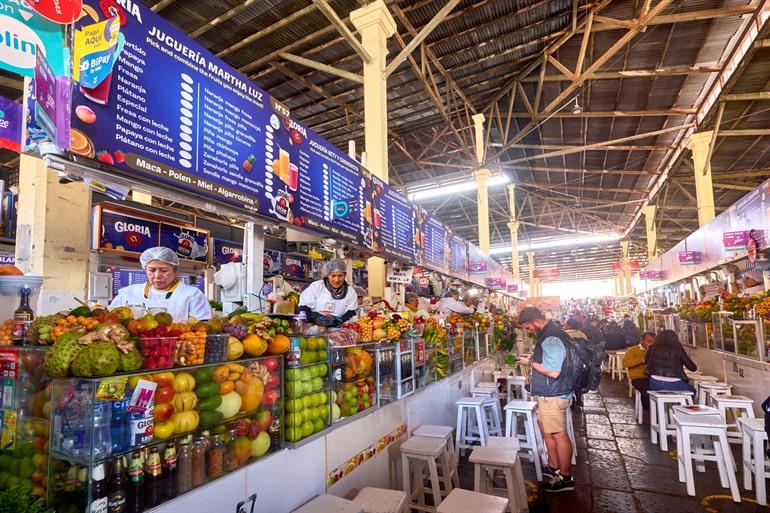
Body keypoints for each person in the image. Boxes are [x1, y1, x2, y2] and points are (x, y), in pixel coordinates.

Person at [517, 307, 574, 492]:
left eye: (527, 327)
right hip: (549, 393)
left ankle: (566, 478)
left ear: (535, 321)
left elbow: (554, 371)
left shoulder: (551, 337)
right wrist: (535, 357)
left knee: (558, 434)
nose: (528, 330)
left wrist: (530, 363)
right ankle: (553, 466)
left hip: (553, 394)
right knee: (548, 431)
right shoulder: (549, 333)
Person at [110, 247, 211, 322]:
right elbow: (110, 318)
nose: (157, 275)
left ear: (175, 271)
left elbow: (201, 328)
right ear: (145, 270)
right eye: (151, 270)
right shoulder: (128, 292)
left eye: (164, 270)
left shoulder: (192, 295)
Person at [299, 259, 358, 327]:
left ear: (345, 275)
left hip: (338, 330)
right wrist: (315, 317)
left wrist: (338, 321)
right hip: (315, 328)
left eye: (340, 276)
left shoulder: (350, 292)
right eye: (333, 276)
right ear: (327, 275)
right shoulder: (316, 287)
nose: (336, 280)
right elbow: (303, 308)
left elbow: (352, 313)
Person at [645, 329, 697, 394]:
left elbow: (646, 362)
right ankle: (680, 404)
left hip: (655, 382)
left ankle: (663, 403)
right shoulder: (678, 349)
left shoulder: (652, 348)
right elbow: (692, 368)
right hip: (675, 383)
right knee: (692, 391)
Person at [622, 331, 655, 409]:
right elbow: (625, 363)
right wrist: (642, 359)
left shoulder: (656, 351)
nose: (652, 344)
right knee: (646, 391)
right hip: (639, 377)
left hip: (653, 377)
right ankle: (647, 411)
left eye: (654, 342)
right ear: (642, 341)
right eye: (649, 341)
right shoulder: (632, 350)